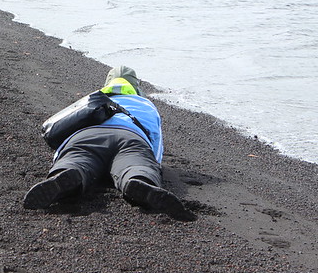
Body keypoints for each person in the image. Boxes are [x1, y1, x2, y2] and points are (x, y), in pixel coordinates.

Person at [23, 66, 195, 221]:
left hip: (85, 136)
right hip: (130, 136)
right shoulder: (145, 104)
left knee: (77, 159)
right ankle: (137, 179)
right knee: (135, 164)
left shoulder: (91, 100)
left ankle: (68, 173)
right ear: (136, 87)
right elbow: (155, 149)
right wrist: (151, 165)